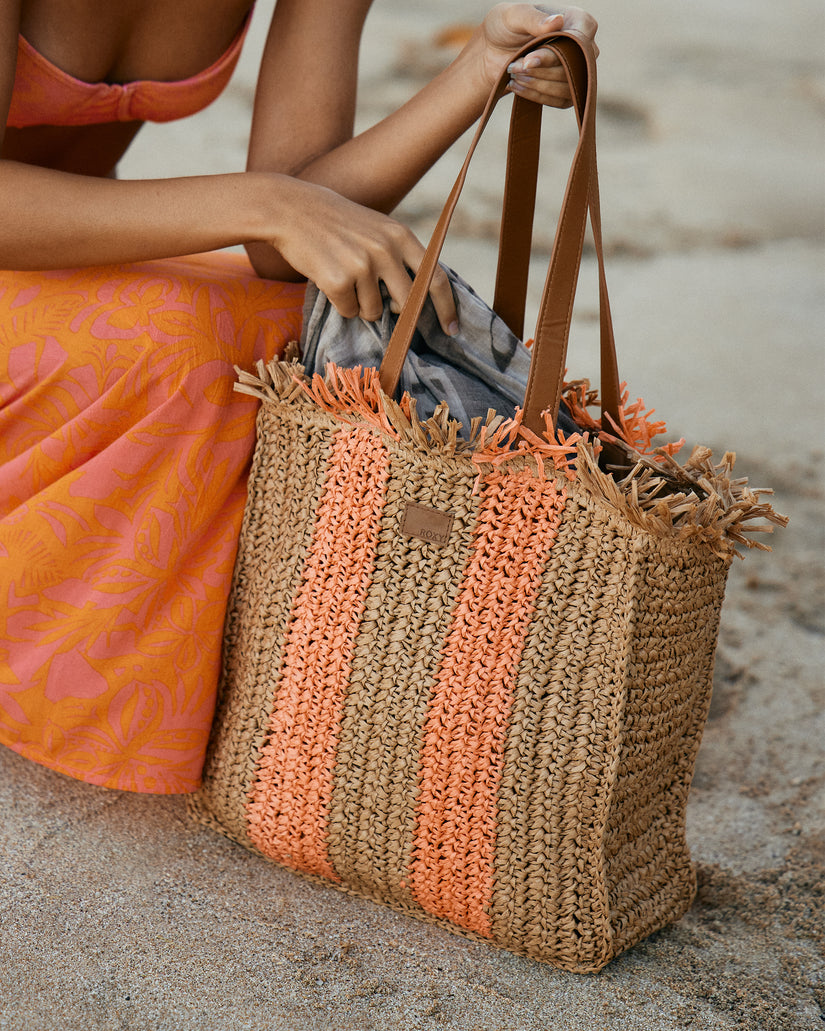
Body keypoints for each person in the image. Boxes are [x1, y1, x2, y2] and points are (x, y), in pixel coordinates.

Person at [0, 1, 598, 793]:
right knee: (181, 339)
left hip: (52, 266)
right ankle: (54, 677)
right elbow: (274, 213)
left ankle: (297, 681)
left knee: (306, 325)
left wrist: (479, 71)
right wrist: (266, 202)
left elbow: (286, 249)